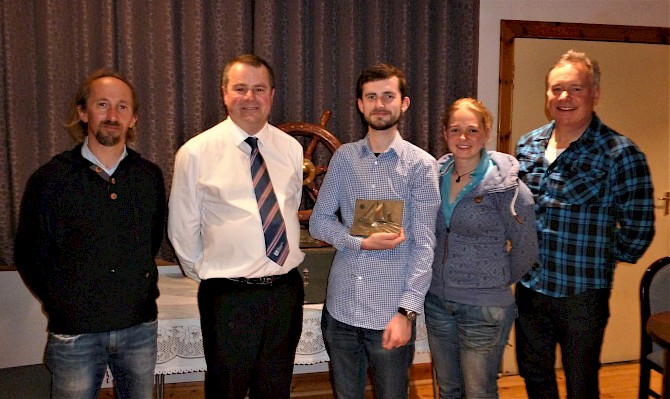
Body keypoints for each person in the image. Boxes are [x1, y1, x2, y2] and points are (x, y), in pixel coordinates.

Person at [13, 69, 166, 399]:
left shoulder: (148, 177)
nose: (112, 115)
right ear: (83, 112)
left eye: (122, 107)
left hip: (138, 326)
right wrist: (64, 302)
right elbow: (28, 254)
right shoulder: (50, 179)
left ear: (134, 117)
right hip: (75, 332)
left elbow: (151, 241)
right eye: (102, 104)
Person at [514, 50, 655, 398]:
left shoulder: (620, 153)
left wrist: (603, 257)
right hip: (531, 288)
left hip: (582, 296)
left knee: (581, 384)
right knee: (534, 375)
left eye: (575, 89)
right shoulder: (527, 145)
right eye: (557, 88)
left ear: (595, 94)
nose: (565, 97)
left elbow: (640, 226)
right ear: (547, 95)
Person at [168, 54, 305, 399]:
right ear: (224, 94)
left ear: (272, 94)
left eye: (259, 89)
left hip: (285, 292)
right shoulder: (196, 152)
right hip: (229, 297)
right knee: (226, 390)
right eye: (240, 88)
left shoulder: (290, 149)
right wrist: (212, 275)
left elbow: (288, 209)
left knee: (275, 390)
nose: (250, 97)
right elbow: (182, 229)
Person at [309, 63, 441, 398]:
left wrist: (406, 313)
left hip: (388, 316)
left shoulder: (421, 166)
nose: (379, 104)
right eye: (371, 97)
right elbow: (319, 220)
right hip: (340, 312)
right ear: (360, 104)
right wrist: (358, 242)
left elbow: (425, 247)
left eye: (388, 96)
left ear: (404, 103)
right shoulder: (343, 158)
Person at [425, 98, 538, 399]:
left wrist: (495, 278)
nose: (463, 138)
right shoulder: (431, 179)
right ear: (445, 133)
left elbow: (527, 247)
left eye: (472, 130)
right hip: (437, 302)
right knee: (448, 389)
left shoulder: (508, 187)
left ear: (487, 132)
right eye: (456, 129)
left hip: (484, 307)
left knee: (479, 393)